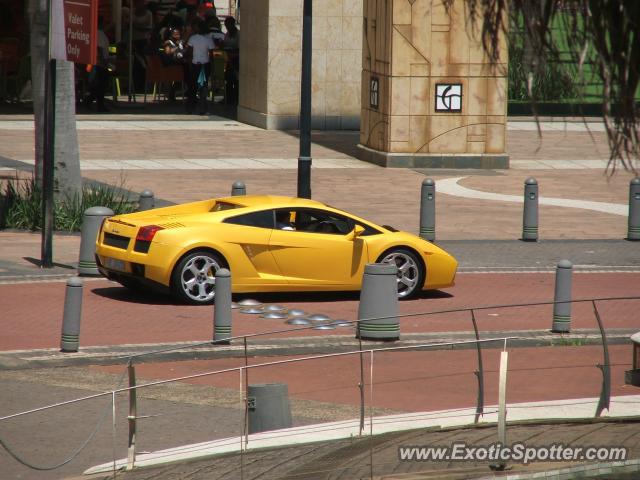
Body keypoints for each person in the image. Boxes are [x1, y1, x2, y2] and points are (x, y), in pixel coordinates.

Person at [186, 19, 214, 114]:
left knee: (192, 87)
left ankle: (191, 107)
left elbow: (189, 52)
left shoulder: (192, 38)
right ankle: (203, 108)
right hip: (205, 65)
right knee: (203, 87)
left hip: (195, 65)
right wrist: (211, 66)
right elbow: (211, 54)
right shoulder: (208, 39)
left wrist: (190, 64)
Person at [84, 16, 111, 112]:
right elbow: (98, 48)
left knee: (99, 84)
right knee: (101, 84)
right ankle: (97, 103)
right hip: (99, 63)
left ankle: (91, 101)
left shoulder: (99, 33)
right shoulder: (99, 33)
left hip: (99, 62)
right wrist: (103, 61)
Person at [221, 16, 239, 105]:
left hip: (236, 59)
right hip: (228, 59)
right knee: (228, 80)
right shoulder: (227, 34)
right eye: (226, 25)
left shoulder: (239, 34)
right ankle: (228, 99)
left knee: (236, 80)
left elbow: (241, 48)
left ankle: (236, 99)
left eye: (228, 25)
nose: (227, 27)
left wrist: (233, 53)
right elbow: (225, 44)